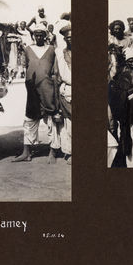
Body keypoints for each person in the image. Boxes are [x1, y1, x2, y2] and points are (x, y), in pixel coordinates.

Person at [14, 25, 59, 162]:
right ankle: (26, 152)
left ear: (45, 36)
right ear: (33, 36)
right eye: (36, 35)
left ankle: (53, 151)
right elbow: (25, 66)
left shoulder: (51, 50)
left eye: (41, 34)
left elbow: (55, 71)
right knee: (30, 118)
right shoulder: (28, 50)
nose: (38, 37)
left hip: (48, 89)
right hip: (32, 89)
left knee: (51, 119)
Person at [53, 22, 72, 164]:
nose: (71, 39)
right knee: (70, 124)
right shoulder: (60, 54)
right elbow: (57, 75)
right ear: (65, 39)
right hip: (67, 91)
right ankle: (71, 152)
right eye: (68, 38)